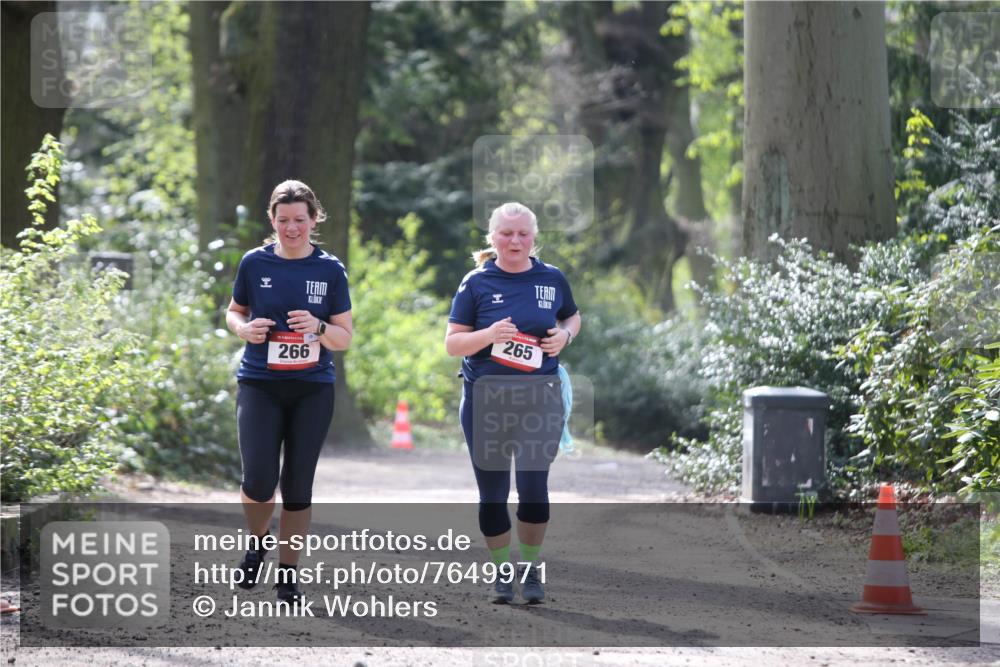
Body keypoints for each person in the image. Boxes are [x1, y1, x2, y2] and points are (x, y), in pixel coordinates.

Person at [445, 202, 581, 604]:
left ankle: (532, 568)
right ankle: (503, 571)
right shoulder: (476, 282)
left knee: (533, 488)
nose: (515, 240)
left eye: (523, 233)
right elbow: (453, 343)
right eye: (506, 233)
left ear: (534, 237)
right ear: (492, 237)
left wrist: (564, 336)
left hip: (540, 398)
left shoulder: (552, 278)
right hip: (486, 402)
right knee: (492, 493)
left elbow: (572, 317)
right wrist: (489, 334)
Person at [225, 180, 353, 603]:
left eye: (300, 220)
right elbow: (234, 311)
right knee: (258, 480)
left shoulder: (330, 270)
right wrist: (244, 329)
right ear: (272, 220)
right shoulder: (254, 263)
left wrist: (317, 327)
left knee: (298, 485)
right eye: (283, 220)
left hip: (312, 388)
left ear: (314, 220)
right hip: (260, 383)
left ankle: (288, 573)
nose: (291, 228)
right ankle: (258, 542)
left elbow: (344, 337)